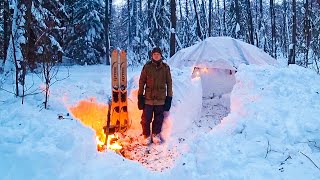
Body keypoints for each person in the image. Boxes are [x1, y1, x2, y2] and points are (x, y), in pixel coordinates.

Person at [137, 47, 173, 145]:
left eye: (158, 54)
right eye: (154, 54)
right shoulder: (147, 67)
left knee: (158, 118)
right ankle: (146, 135)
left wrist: (169, 97)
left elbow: (169, 83)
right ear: (152, 56)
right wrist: (140, 96)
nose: (156, 56)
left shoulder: (165, 68)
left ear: (161, 56)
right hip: (148, 99)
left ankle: (155, 135)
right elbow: (141, 82)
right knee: (146, 119)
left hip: (161, 99)